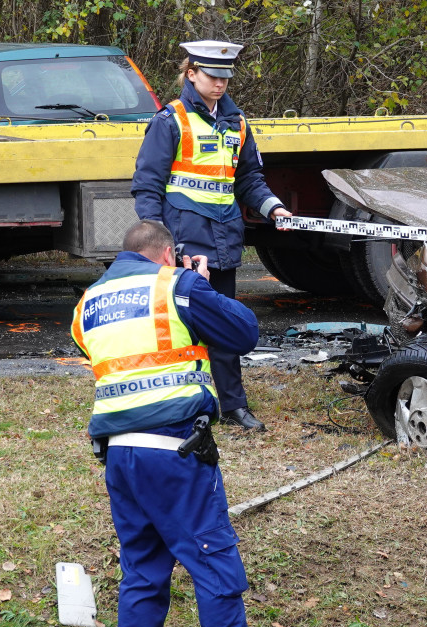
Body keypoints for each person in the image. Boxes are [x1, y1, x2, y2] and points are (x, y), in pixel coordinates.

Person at [71, 220, 266, 627]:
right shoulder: (174, 284)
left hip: (120, 455)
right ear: (167, 254)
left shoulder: (89, 301)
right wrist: (195, 282)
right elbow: (243, 332)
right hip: (174, 451)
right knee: (212, 558)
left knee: (142, 567)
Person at [131, 39, 290, 432]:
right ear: (191, 74)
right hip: (183, 245)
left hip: (224, 241)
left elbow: (249, 179)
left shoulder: (237, 123)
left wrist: (274, 208)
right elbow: (147, 187)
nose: (220, 84)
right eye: (211, 75)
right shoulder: (170, 120)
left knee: (222, 324)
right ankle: (178, 406)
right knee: (181, 329)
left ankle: (233, 406)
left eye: (225, 77)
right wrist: (161, 244)